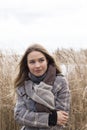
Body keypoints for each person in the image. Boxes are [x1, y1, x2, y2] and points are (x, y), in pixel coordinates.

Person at [14, 43, 70, 130]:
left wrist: (31, 118)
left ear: (47, 60)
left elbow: (62, 118)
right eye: (32, 62)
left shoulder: (60, 82)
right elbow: (19, 115)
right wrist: (51, 119)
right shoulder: (23, 84)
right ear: (27, 64)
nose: (37, 66)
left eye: (41, 60)